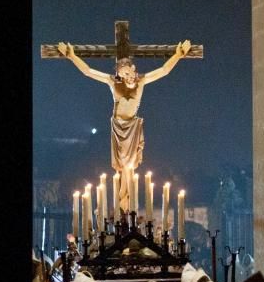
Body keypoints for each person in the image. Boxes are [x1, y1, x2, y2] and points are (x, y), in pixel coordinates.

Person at [56, 40, 191, 213]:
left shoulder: (141, 81)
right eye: (122, 74)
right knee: (122, 167)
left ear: (133, 69)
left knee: (129, 166)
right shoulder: (114, 83)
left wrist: (178, 54)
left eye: (127, 72)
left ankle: (125, 204)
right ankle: (122, 204)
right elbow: (88, 71)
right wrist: (72, 56)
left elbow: (164, 71)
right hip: (118, 128)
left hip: (132, 127)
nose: (126, 76)